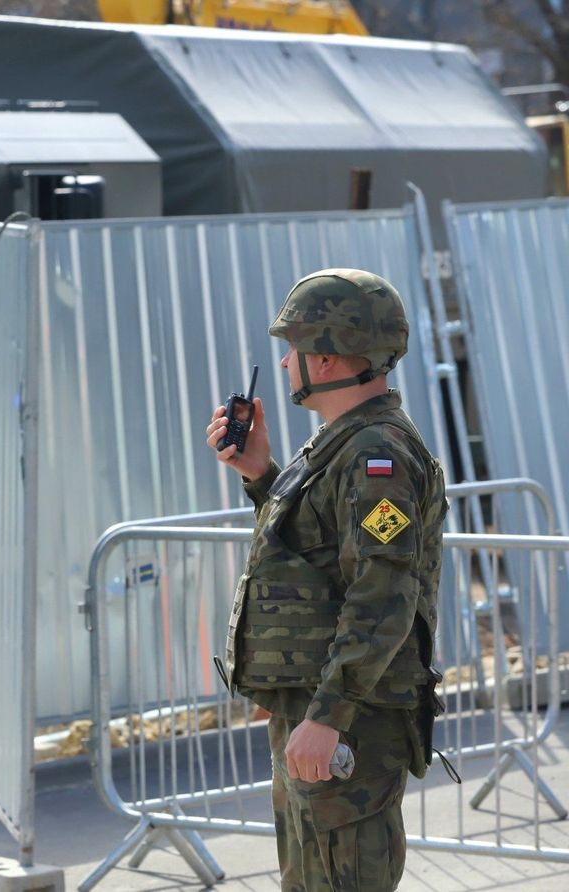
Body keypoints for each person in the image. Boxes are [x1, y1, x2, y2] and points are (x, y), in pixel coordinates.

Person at [206, 269, 448, 891]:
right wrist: (261, 472)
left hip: (349, 718)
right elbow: (314, 559)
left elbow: (384, 595)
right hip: (319, 705)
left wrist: (329, 715)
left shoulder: (377, 456)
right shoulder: (338, 445)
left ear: (330, 355)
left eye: (294, 348)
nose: (285, 362)